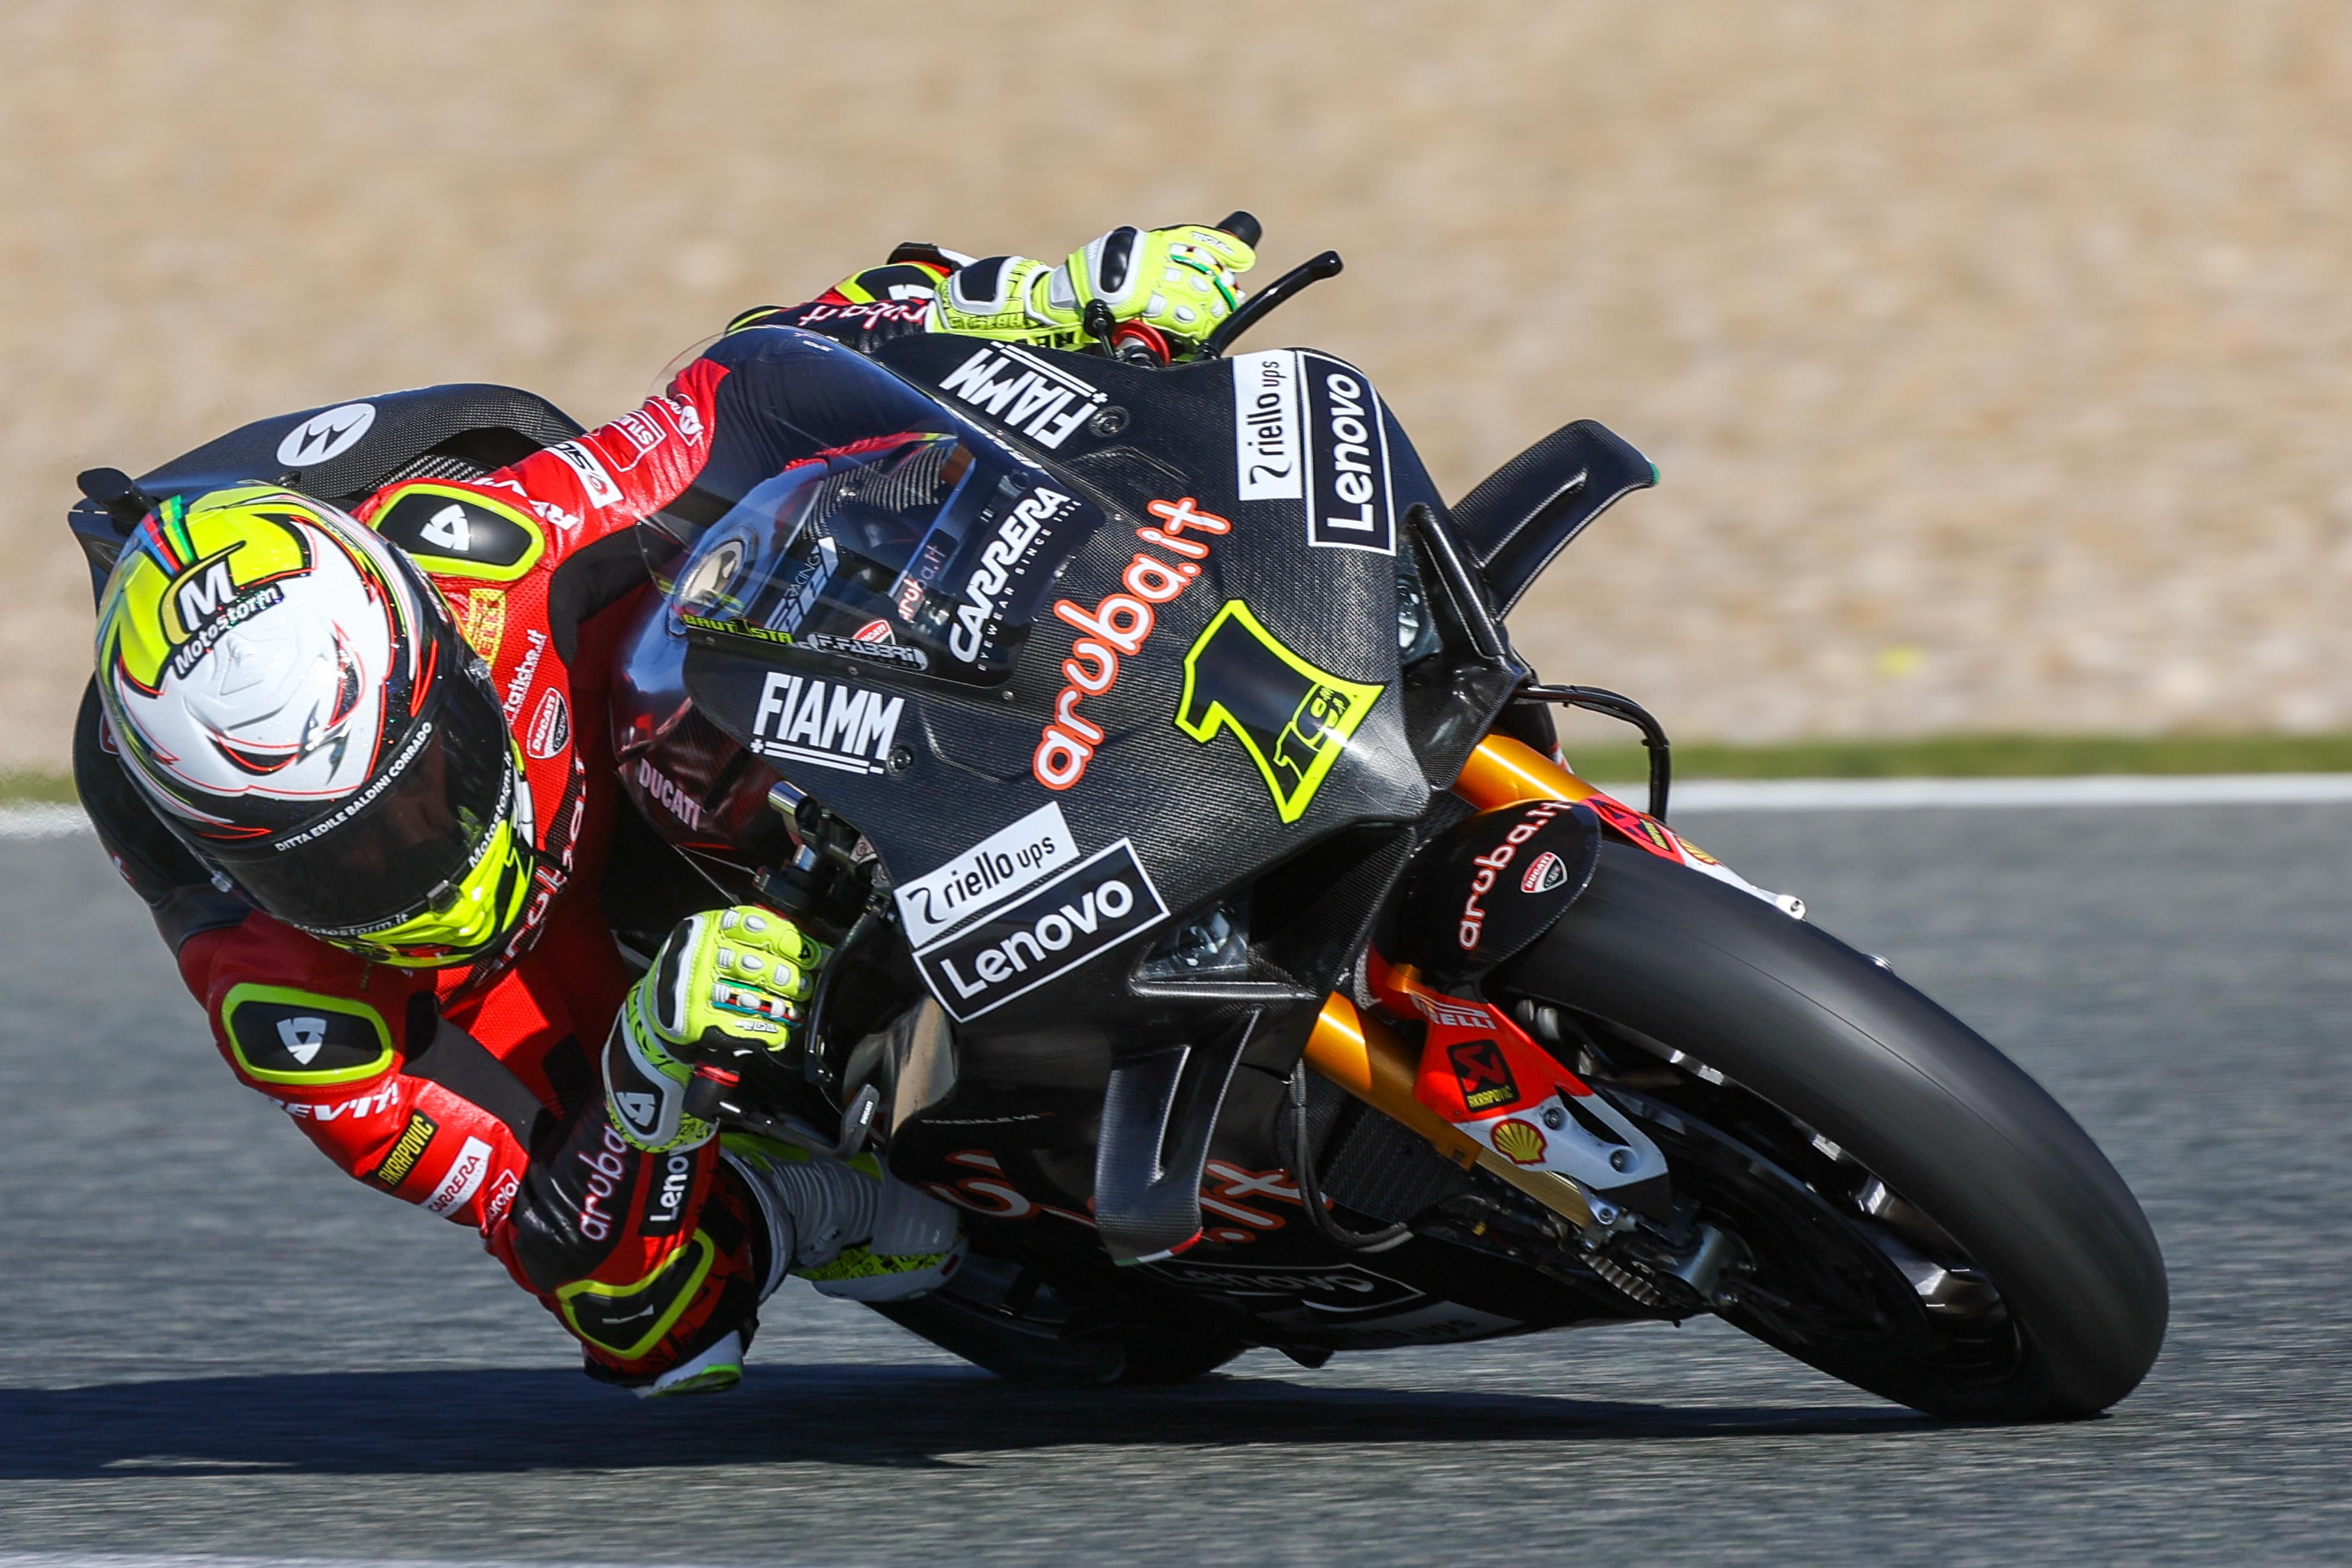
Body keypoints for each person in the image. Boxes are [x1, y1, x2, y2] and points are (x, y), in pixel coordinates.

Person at [75, 224, 1259, 1395]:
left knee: (839, 539)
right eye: (331, 866)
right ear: (230, 852)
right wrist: (648, 1077)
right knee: (708, 1293)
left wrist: (1041, 298)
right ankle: (836, 1196)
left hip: (640, 730)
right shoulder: (302, 1014)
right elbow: (620, 1313)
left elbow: (756, 369)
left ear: (453, 676)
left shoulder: (492, 554)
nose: (407, 871)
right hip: (589, 1016)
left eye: (418, 801)